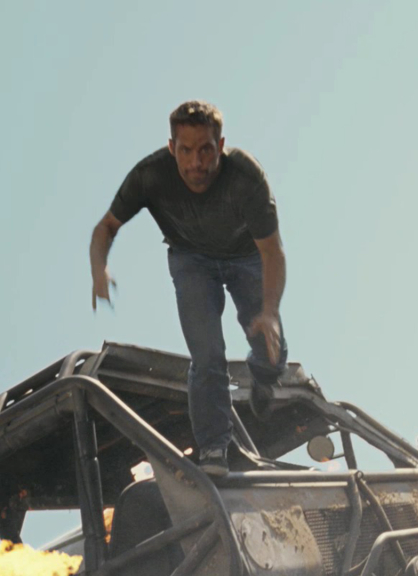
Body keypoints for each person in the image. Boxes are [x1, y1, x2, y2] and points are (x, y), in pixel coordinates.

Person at [89, 100, 289, 476]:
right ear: (171, 148)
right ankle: (214, 447)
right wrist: (99, 268)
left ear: (221, 145)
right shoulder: (150, 175)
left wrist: (270, 312)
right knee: (207, 353)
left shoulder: (246, 177)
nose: (196, 163)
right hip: (191, 260)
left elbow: (272, 252)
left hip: (245, 256)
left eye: (206, 151)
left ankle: (265, 376)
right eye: (185, 151)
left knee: (270, 344)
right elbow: (106, 227)